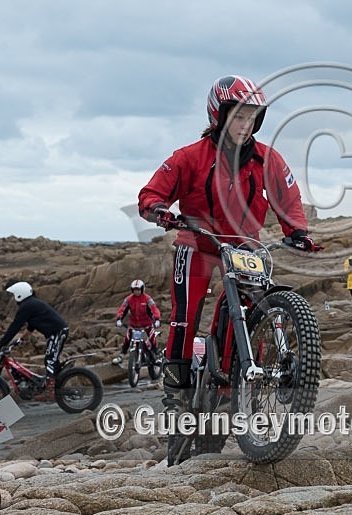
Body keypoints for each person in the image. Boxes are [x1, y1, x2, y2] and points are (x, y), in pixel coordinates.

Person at [138, 75, 322, 402]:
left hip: (244, 244)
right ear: (218, 115)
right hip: (197, 241)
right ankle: (175, 392)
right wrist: (159, 210)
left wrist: (297, 232)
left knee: (255, 306)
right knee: (185, 315)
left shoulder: (268, 159)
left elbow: (288, 197)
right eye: (238, 116)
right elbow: (151, 193)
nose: (245, 125)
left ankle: (236, 383)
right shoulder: (188, 157)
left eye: (252, 117)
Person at [0, 281, 69, 400]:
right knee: (51, 360)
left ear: (19, 294)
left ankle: (49, 392)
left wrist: (1, 344)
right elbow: (31, 326)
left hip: (57, 333)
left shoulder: (26, 306)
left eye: (14, 295)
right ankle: (53, 383)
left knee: (50, 359)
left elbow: (15, 326)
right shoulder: (32, 304)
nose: (14, 299)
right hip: (58, 332)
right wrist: (19, 341)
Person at [112, 279, 162, 364]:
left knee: (152, 337)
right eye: (135, 290)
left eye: (138, 289)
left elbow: (154, 309)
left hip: (146, 325)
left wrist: (157, 319)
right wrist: (119, 319)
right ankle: (121, 356)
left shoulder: (147, 299)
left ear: (142, 289)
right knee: (127, 339)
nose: (137, 292)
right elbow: (122, 309)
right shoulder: (128, 299)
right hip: (134, 325)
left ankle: (158, 354)